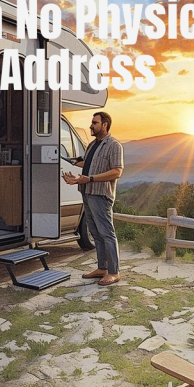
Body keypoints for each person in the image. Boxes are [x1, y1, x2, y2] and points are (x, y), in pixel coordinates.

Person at [63, 111, 124, 286]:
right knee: (96, 234)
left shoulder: (114, 145)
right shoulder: (92, 145)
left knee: (107, 234)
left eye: (95, 123)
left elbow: (117, 171)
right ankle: (102, 268)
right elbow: (87, 163)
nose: (91, 125)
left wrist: (90, 179)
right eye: (92, 122)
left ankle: (114, 272)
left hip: (101, 195)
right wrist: (75, 178)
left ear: (105, 125)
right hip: (87, 193)